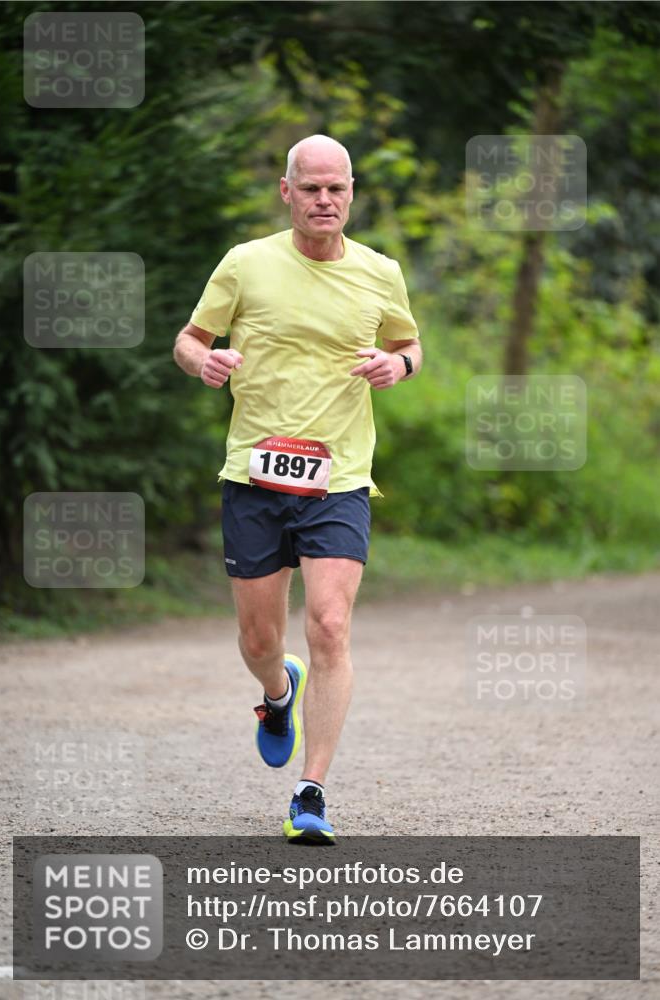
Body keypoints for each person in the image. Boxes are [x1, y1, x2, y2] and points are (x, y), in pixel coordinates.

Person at [173, 134, 421, 843]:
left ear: (350, 193)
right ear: (286, 191)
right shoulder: (245, 264)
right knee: (258, 638)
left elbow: (410, 345)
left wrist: (396, 367)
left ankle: (310, 793)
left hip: (338, 476)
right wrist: (204, 362)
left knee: (331, 626)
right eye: (309, 187)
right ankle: (276, 693)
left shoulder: (380, 272)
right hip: (253, 474)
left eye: (335, 188)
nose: (323, 200)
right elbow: (188, 337)